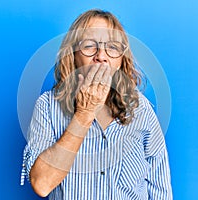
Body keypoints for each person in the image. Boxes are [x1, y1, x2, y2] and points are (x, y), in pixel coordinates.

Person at [20, 9, 172, 200]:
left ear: (121, 59)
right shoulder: (47, 107)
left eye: (113, 47)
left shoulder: (141, 109)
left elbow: (160, 190)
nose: (101, 56)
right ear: (73, 55)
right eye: (90, 46)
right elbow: (42, 184)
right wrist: (84, 113)